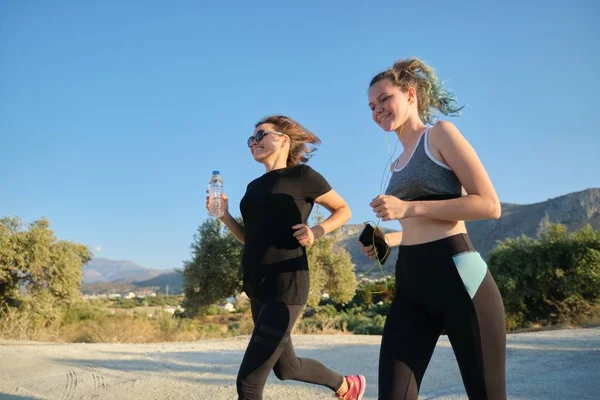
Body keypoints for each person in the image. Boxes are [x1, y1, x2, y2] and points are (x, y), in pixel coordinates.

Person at [362, 58, 507, 399]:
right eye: (371, 106)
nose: (377, 110)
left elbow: (489, 205)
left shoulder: (439, 134)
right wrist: (388, 239)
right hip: (411, 283)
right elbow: (416, 226)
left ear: (410, 94)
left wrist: (408, 207)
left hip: (458, 275)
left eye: (384, 99)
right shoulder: (395, 165)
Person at [206, 114, 366, 400]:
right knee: (288, 368)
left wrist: (316, 231)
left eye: (260, 135)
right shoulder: (253, 187)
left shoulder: (303, 176)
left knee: (249, 383)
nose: (253, 142)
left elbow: (343, 210)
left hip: (286, 284)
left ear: (283, 140)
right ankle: (346, 386)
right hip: (257, 285)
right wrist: (224, 216)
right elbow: (249, 238)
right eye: (250, 139)